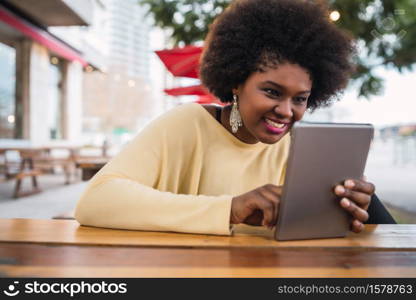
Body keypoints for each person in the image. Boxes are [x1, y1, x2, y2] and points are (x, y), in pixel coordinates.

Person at [75, 0, 395, 236]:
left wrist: (359, 214)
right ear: (236, 82)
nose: (286, 111)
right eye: (271, 92)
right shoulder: (186, 125)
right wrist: (230, 208)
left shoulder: (301, 150)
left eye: (300, 99)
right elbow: (95, 201)